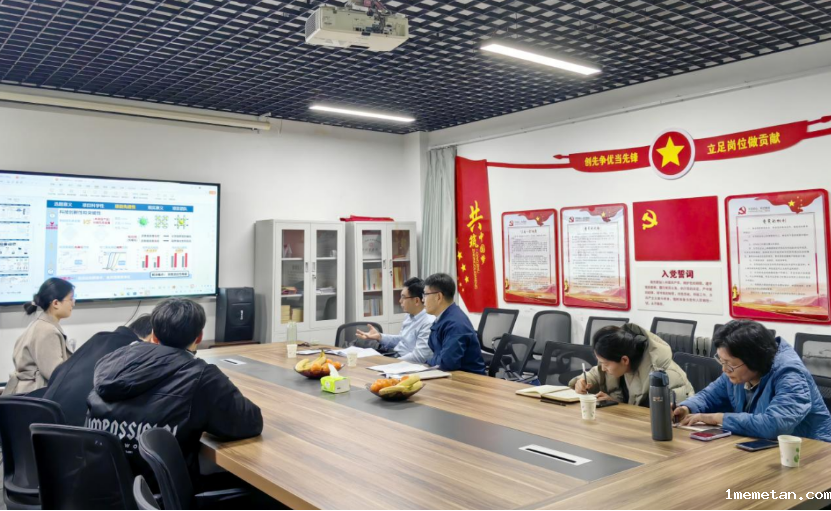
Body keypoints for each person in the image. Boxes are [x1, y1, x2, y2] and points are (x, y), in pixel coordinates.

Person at [86, 298, 264, 482]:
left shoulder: (111, 362)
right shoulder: (200, 376)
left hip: (100, 487)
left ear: (154, 336)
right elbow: (249, 423)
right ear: (199, 337)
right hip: (157, 492)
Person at [674, 320, 831, 442]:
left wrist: (716, 418)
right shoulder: (736, 371)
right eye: (721, 361)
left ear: (753, 360)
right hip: (765, 445)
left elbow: (774, 425)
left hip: (811, 452)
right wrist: (686, 408)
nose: (724, 369)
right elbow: (710, 396)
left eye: (729, 364)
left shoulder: (790, 374)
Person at [40, 314, 153, 426]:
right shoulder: (137, 353)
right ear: (153, 338)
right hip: (77, 430)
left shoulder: (99, 339)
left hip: (42, 424)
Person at [570, 323, 695, 406]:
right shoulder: (615, 359)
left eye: (605, 364)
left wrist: (617, 405)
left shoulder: (663, 376)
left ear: (625, 360)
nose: (603, 368)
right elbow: (595, 374)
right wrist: (582, 382)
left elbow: (668, 418)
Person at [3, 278, 75, 396]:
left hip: (28, 395)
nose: (73, 303)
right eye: (71, 299)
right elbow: (56, 375)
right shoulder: (47, 331)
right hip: (34, 397)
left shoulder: (41, 325)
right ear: (56, 303)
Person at [354, 277, 435, 363]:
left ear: (416, 301)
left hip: (405, 362)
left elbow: (420, 356)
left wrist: (391, 362)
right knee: (359, 344)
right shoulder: (409, 316)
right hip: (395, 354)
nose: (400, 301)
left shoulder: (428, 323)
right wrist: (379, 337)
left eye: (403, 297)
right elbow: (401, 339)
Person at [422, 273, 485, 374]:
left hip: (468, 379)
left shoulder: (455, 324)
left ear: (438, 297)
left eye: (425, 294)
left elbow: (446, 363)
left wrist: (428, 362)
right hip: (450, 374)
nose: (423, 299)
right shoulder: (443, 318)